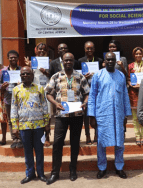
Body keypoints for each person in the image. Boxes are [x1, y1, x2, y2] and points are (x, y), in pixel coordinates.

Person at [45, 52, 89, 184]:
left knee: (75, 143)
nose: (68, 62)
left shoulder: (80, 76)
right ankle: (55, 173)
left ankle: (73, 170)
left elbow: (87, 93)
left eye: (70, 60)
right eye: (66, 60)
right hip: (61, 115)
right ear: (62, 62)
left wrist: (85, 102)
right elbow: (48, 93)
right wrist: (55, 103)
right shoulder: (56, 76)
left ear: (73, 61)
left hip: (77, 115)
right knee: (57, 144)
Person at [88, 52, 132, 179]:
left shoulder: (121, 76)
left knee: (119, 142)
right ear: (104, 62)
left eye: (113, 59)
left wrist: (125, 115)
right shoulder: (98, 75)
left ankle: (119, 167)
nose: (110, 62)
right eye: (108, 60)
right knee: (101, 143)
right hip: (102, 114)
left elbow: (124, 95)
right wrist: (92, 116)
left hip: (118, 114)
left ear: (116, 61)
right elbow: (92, 96)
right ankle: (102, 168)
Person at [11, 66, 49, 184]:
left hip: (39, 126)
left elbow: (44, 106)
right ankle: (30, 174)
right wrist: (14, 126)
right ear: (20, 76)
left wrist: (47, 123)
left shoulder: (39, 89)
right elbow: (14, 107)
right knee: (27, 151)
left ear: (32, 75)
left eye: (27, 74)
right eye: (23, 74)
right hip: (24, 126)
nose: (25, 76)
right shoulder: (16, 90)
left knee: (39, 151)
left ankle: (41, 173)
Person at [25, 42, 51, 147]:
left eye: (44, 49)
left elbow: (53, 75)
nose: (42, 51)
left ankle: (47, 137)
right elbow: (27, 76)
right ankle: (37, 138)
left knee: (47, 116)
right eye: (40, 49)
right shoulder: (32, 62)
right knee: (36, 114)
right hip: (35, 92)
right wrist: (28, 66)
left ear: (46, 51)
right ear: (36, 50)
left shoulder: (50, 62)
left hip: (47, 92)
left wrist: (45, 72)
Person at [77, 41, 102, 144]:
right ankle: (87, 135)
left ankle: (96, 134)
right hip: (84, 91)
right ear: (84, 49)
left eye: (91, 48)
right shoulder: (80, 61)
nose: (89, 50)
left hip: (97, 90)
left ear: (94, 49)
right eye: (88, 48)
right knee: (86, 114)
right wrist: (84, 77)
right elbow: (77, 77)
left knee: (97, 113)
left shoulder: (99, 61)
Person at [128, 47, 143, 146]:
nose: (138, 55)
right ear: (134, 55)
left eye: (140, 53)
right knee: (135, 117)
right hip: (134, 93)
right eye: (136, 54)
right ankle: (137, 135)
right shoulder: (130, 66)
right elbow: (128, 78)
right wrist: (131, 84)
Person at [0, 50, 23, 149]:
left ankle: (21, 139)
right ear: (8, 58)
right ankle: (15, 139)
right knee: (10, 120)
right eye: (11, 57)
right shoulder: (4, 71)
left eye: (15, 57)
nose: (13, 59)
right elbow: (0, 85)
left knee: (21, 119)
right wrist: (3, 86)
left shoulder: (22, 70)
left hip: (21, 99)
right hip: (8, 98)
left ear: (18, 58)